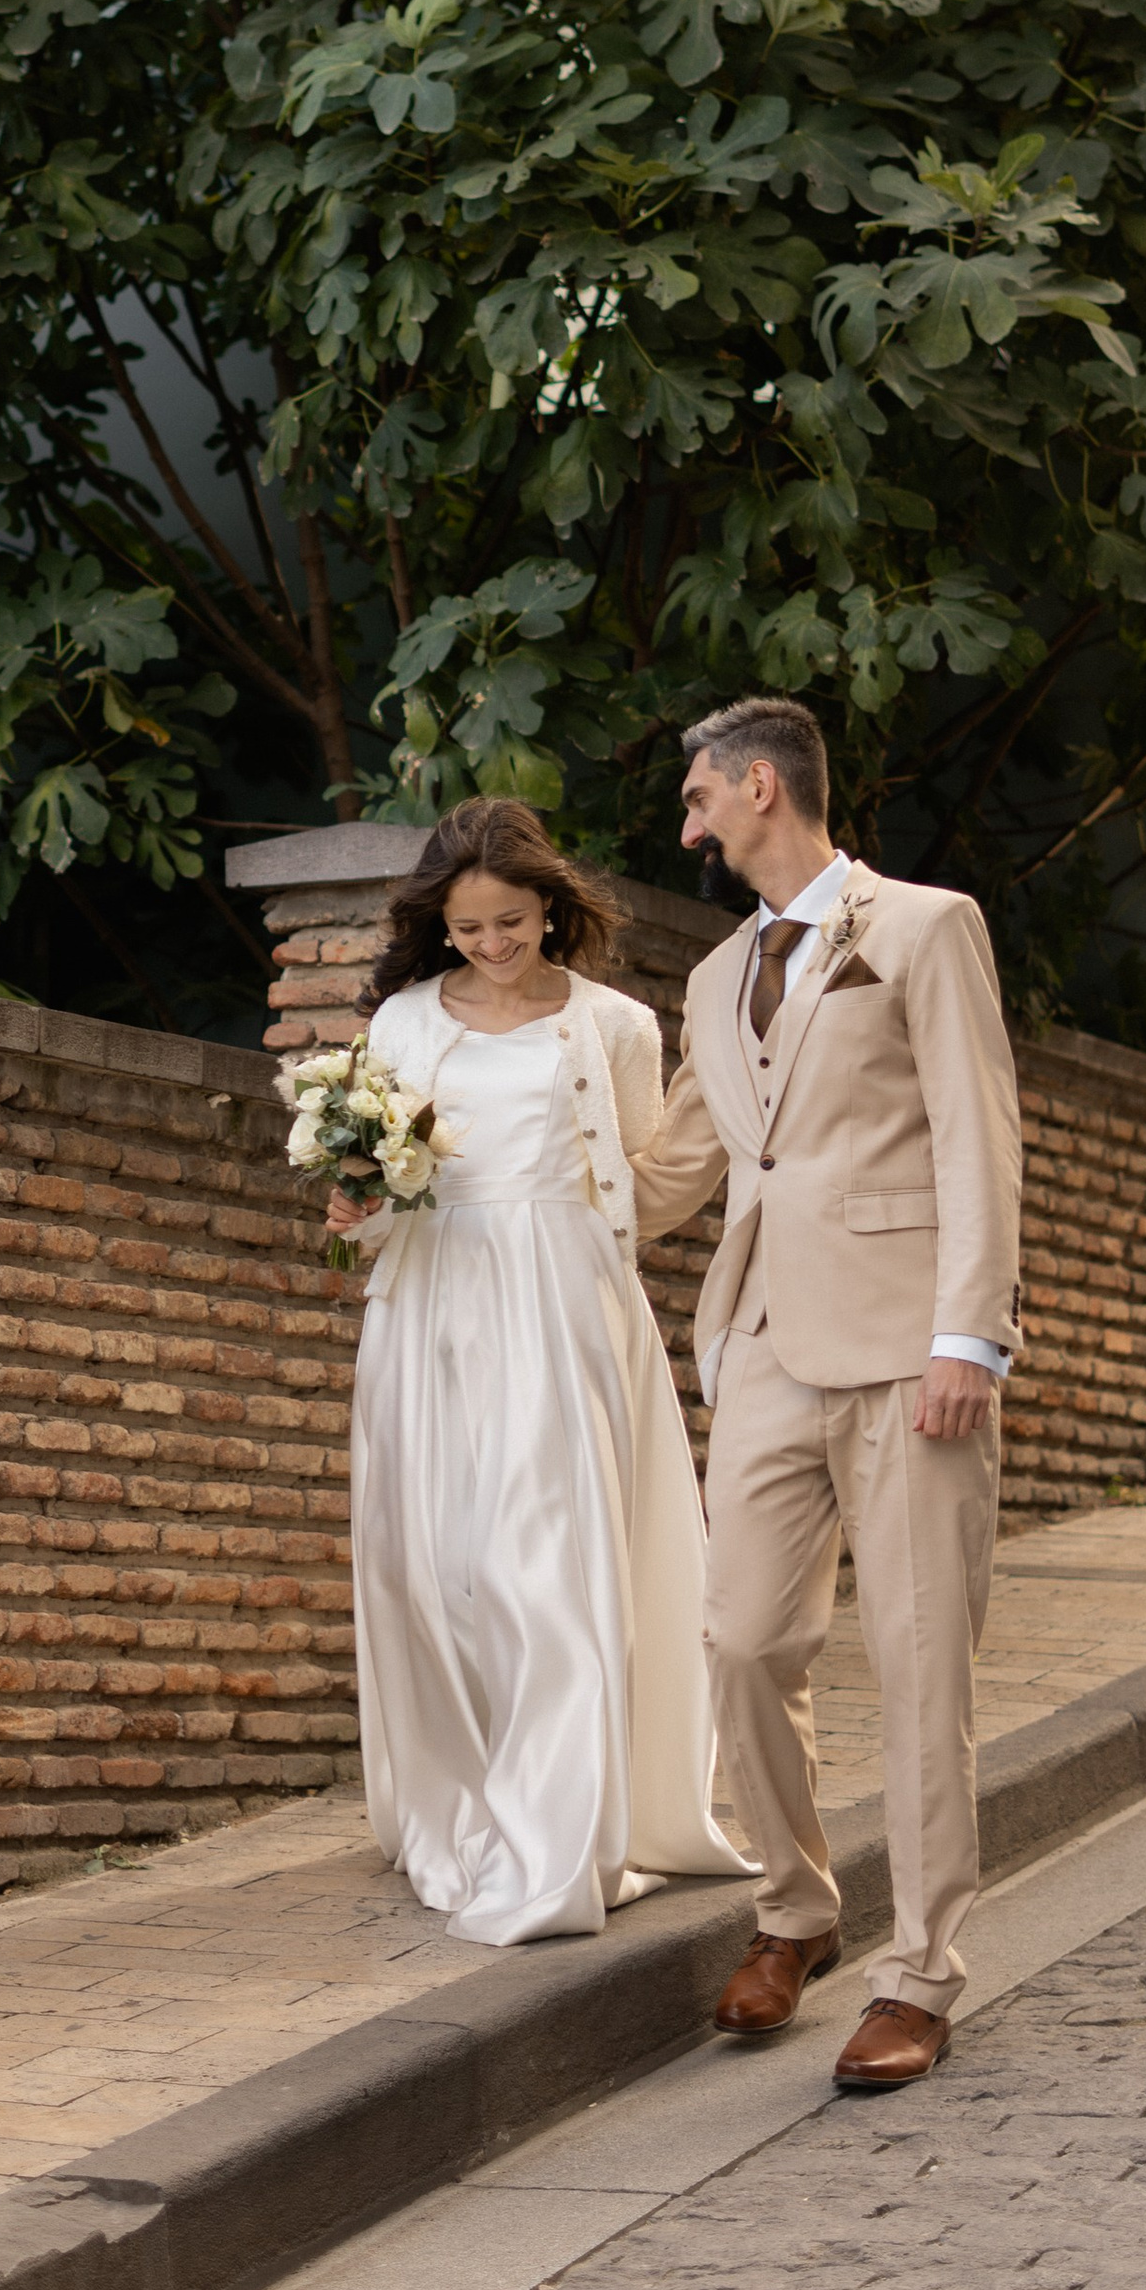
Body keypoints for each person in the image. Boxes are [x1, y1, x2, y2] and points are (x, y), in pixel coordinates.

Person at [633, 696, 1022, 2091]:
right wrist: (455, 1184)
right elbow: (674, 1173)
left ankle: (919, 1975)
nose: (686, 824)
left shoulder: (923, 926)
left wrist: (969, 1338)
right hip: (762, 1355)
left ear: (757, 786)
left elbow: (980, 1131)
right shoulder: (710, 979)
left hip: (911, 1353)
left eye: (697, 799)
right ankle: (798, 1914)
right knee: (739, 1642)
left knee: (922, 1665)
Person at [324, 797, 754, 1946]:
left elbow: (645, 1183)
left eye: (510, 922)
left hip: (566, 1303)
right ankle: (462, 1797)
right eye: (467, 931)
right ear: (440, 927)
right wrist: (352, 1202)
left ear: (551, 909)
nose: (492, 947)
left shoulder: (612, 1025)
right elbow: (369, 1195)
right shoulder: (403, 1024)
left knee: (547, 1567)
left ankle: (559, 1835)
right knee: (439, 1570)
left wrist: (739, 1127)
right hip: (432, 1306)